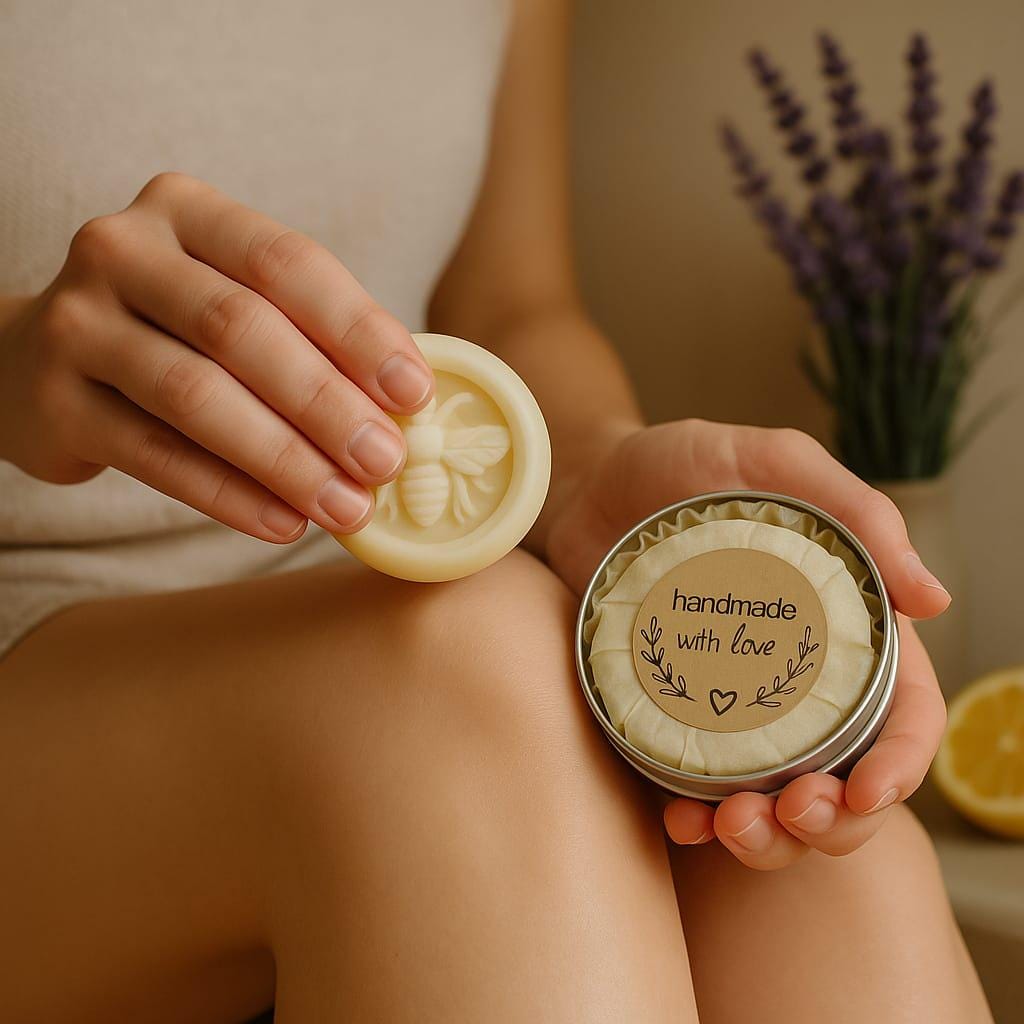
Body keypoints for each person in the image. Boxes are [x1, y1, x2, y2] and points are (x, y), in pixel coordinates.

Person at [0, 1, 992, 1020]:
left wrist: (592, 471)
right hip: (38, 653)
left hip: (388, 616)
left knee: (818, 863)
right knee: (475, 672)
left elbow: (512, 307)